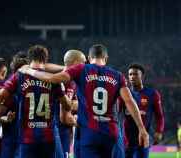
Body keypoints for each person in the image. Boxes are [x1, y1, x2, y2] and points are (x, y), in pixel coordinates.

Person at [19, 44, 149, 158]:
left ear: (89, 57)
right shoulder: (117, 75)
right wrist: (142, 129)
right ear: (106, 58)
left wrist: (30, 70)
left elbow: (53, 78)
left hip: (89, 133)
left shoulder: (81, 70)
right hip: (111, 132)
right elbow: (130, 101)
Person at [0, 45, 71, 158]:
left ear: (30, 59)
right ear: (45, 60)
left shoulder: (19, 76)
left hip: (27, 138)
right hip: (48, 137)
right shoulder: (53, 79)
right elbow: (67, 105)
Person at [122, 63, 164, 158]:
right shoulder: (124, 93)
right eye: (130, 74)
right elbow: (116, 113)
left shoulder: (152, 94)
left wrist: (159, 131)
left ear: (142, 76)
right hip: (126, 141)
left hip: (143, 140)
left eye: (135, 74)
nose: (132, 77)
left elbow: (159, 115)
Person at [0, 52, 29, 158]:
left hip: (20, 139)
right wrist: (5, 119)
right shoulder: (8, 88)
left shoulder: (7, 86)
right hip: (15, 138)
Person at [57, 50, 86, 158]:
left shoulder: (66, 77)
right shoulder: (66, 80)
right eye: (83, 62)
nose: (85, 66)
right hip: (60, 132)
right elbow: (65, 118)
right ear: (75, 62)